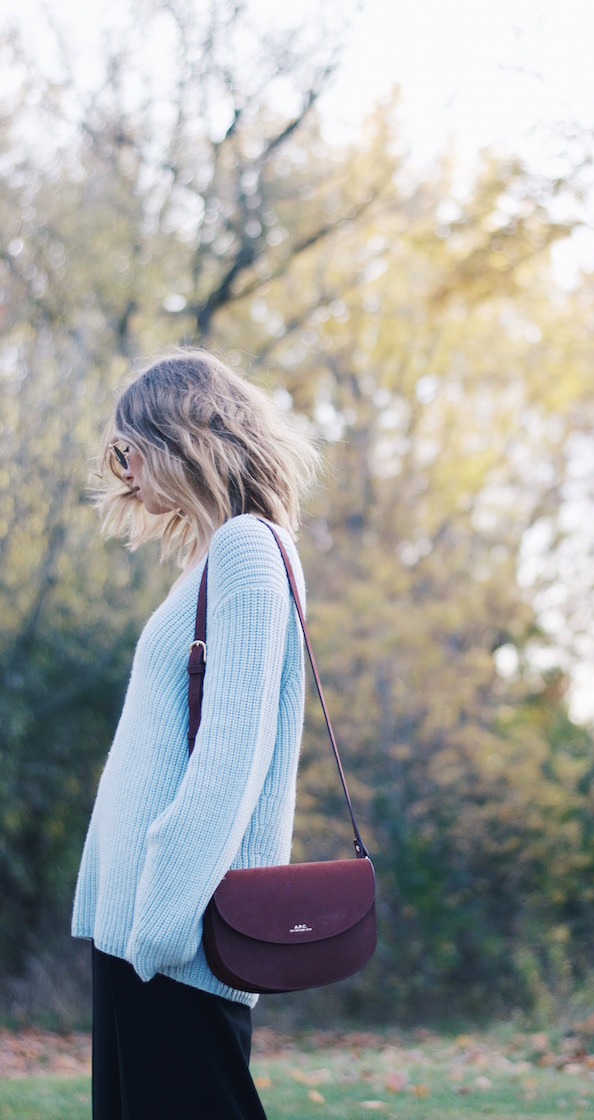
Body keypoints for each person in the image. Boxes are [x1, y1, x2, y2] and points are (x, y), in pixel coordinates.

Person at [72, 349, 320, 1120]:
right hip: (140, 931)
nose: (124, 473)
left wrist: (161, 923)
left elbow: (230, 760)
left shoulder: (248, 549)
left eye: (127, 449)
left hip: (175, 940)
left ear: (178, 434)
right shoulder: (211, 557)